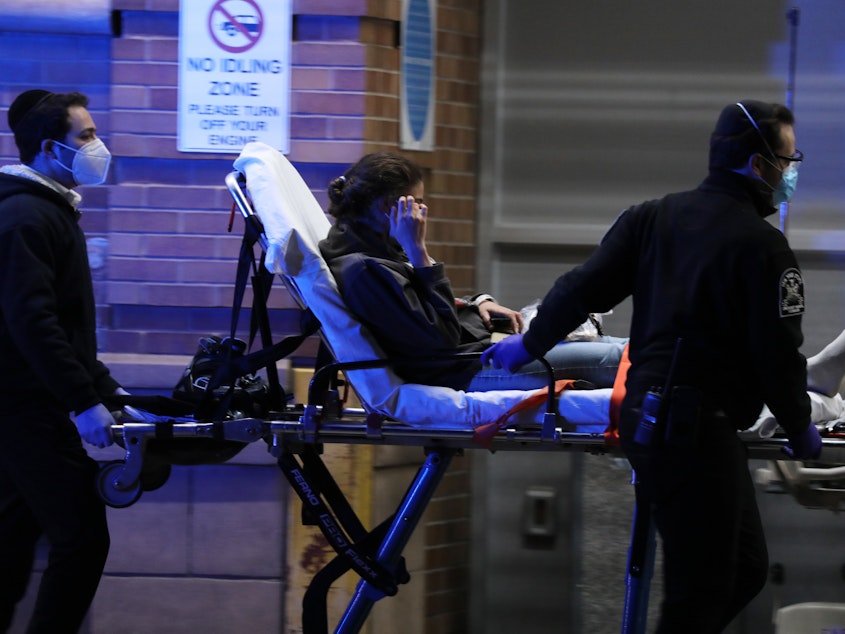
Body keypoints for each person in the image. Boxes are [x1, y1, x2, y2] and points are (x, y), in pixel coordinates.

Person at [482, 100, 823, 632]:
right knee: (699, 595)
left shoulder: (652, 218)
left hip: (665, 423)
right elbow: (776, 353)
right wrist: (800, 427)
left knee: (745, 572)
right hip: (691, 432)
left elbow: (578, 291)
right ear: (758, 166)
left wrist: (527, 346)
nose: (792, 172)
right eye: (788, 159)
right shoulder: (763, 247)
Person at [318, 151, 627, 392]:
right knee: (614, 360)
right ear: (389, 206)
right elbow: (441, 340)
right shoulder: (364, 271)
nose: (422, 213)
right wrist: (420, 253)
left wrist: (477, 302)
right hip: (466, 370)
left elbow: (422, 310)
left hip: (478, 350)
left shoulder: (378, 248)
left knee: (619, 346)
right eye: (418, 203)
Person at [0, 90, 126, 633]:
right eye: (87, 135)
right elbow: (35, 323)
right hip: (28, 412)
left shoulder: (47, 212)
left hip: (30, 409)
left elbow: (72, 331)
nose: (97, 145)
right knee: (81, 539)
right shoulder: (27, 217)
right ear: (51, 148)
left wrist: (110, 395)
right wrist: (83, 403)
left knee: (10, 544)